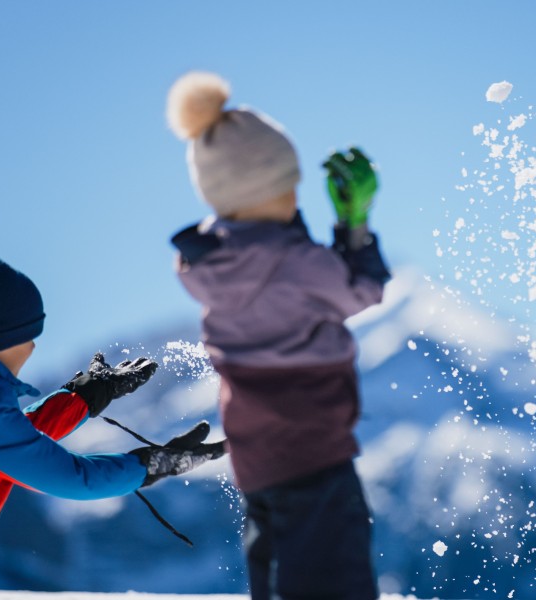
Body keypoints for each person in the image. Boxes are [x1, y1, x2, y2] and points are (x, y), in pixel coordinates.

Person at [0, 253, 226, 600]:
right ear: (5, 338)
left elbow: (13, 443)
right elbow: (72, 478)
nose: (33, 346)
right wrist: (152, 464)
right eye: (30, 333)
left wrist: (86, 396)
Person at [165, 71, 391, 599]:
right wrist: (353, 226)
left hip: (258, 461)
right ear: (270, 190)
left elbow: (262, 262)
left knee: (277, 574)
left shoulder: (206, 268)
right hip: (316, 452)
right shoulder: (299, 263)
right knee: (337, 579)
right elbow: (364, 290)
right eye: (289, 185)